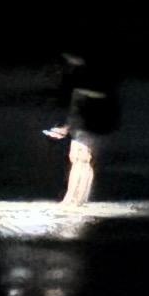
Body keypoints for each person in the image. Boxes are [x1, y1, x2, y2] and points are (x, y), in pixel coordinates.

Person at [37, 56, 118, 212]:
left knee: (78, 159)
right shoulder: (98, 80)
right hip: (95, 122)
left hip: (86, 123)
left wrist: (67, 129)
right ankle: (80, 198)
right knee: (84, 160)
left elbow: (79, 110)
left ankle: (72, 199)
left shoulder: (83, 81)